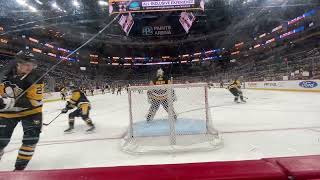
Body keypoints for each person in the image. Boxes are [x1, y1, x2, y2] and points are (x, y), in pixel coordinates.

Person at [0, 51, 44, 171]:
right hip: (7, 113)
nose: (30, 67)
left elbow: (35, 101)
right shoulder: (3, 73)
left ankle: (19, 169)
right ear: (18, 64)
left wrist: (9, 101)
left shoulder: (36, 76)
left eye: (32, 65)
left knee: (31, 139)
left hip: (31, 112)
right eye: (27, 64)